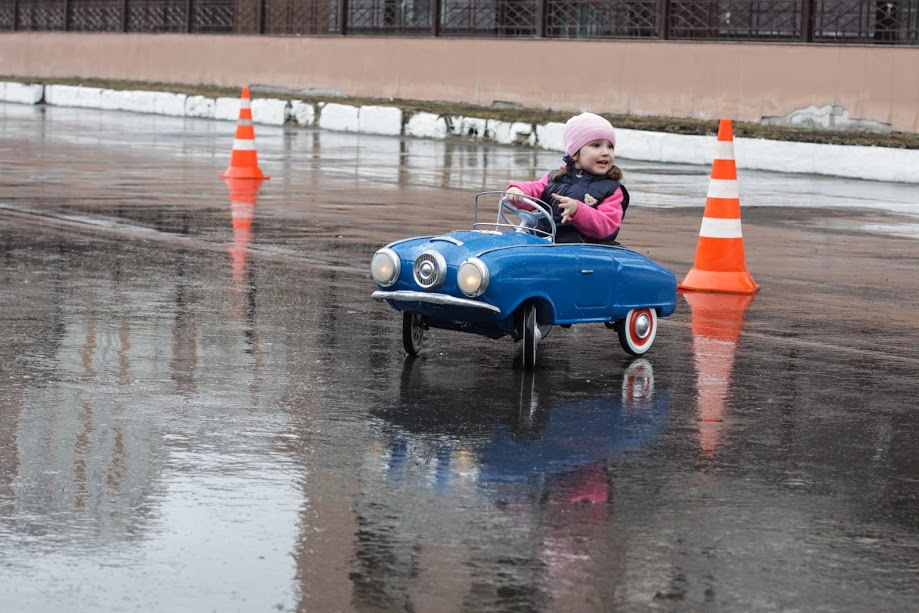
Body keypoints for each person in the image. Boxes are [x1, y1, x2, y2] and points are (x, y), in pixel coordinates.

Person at [506, 112, 628, 244]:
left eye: (610, 147)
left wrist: (578, 211)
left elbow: (607, 227)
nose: (606, 152)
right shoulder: (555, 178)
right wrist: (519, 192)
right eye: (596, 145)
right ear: (575, 153)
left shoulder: (612, 189)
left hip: (582, 250)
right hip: (544, 242)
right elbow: (535, 188)